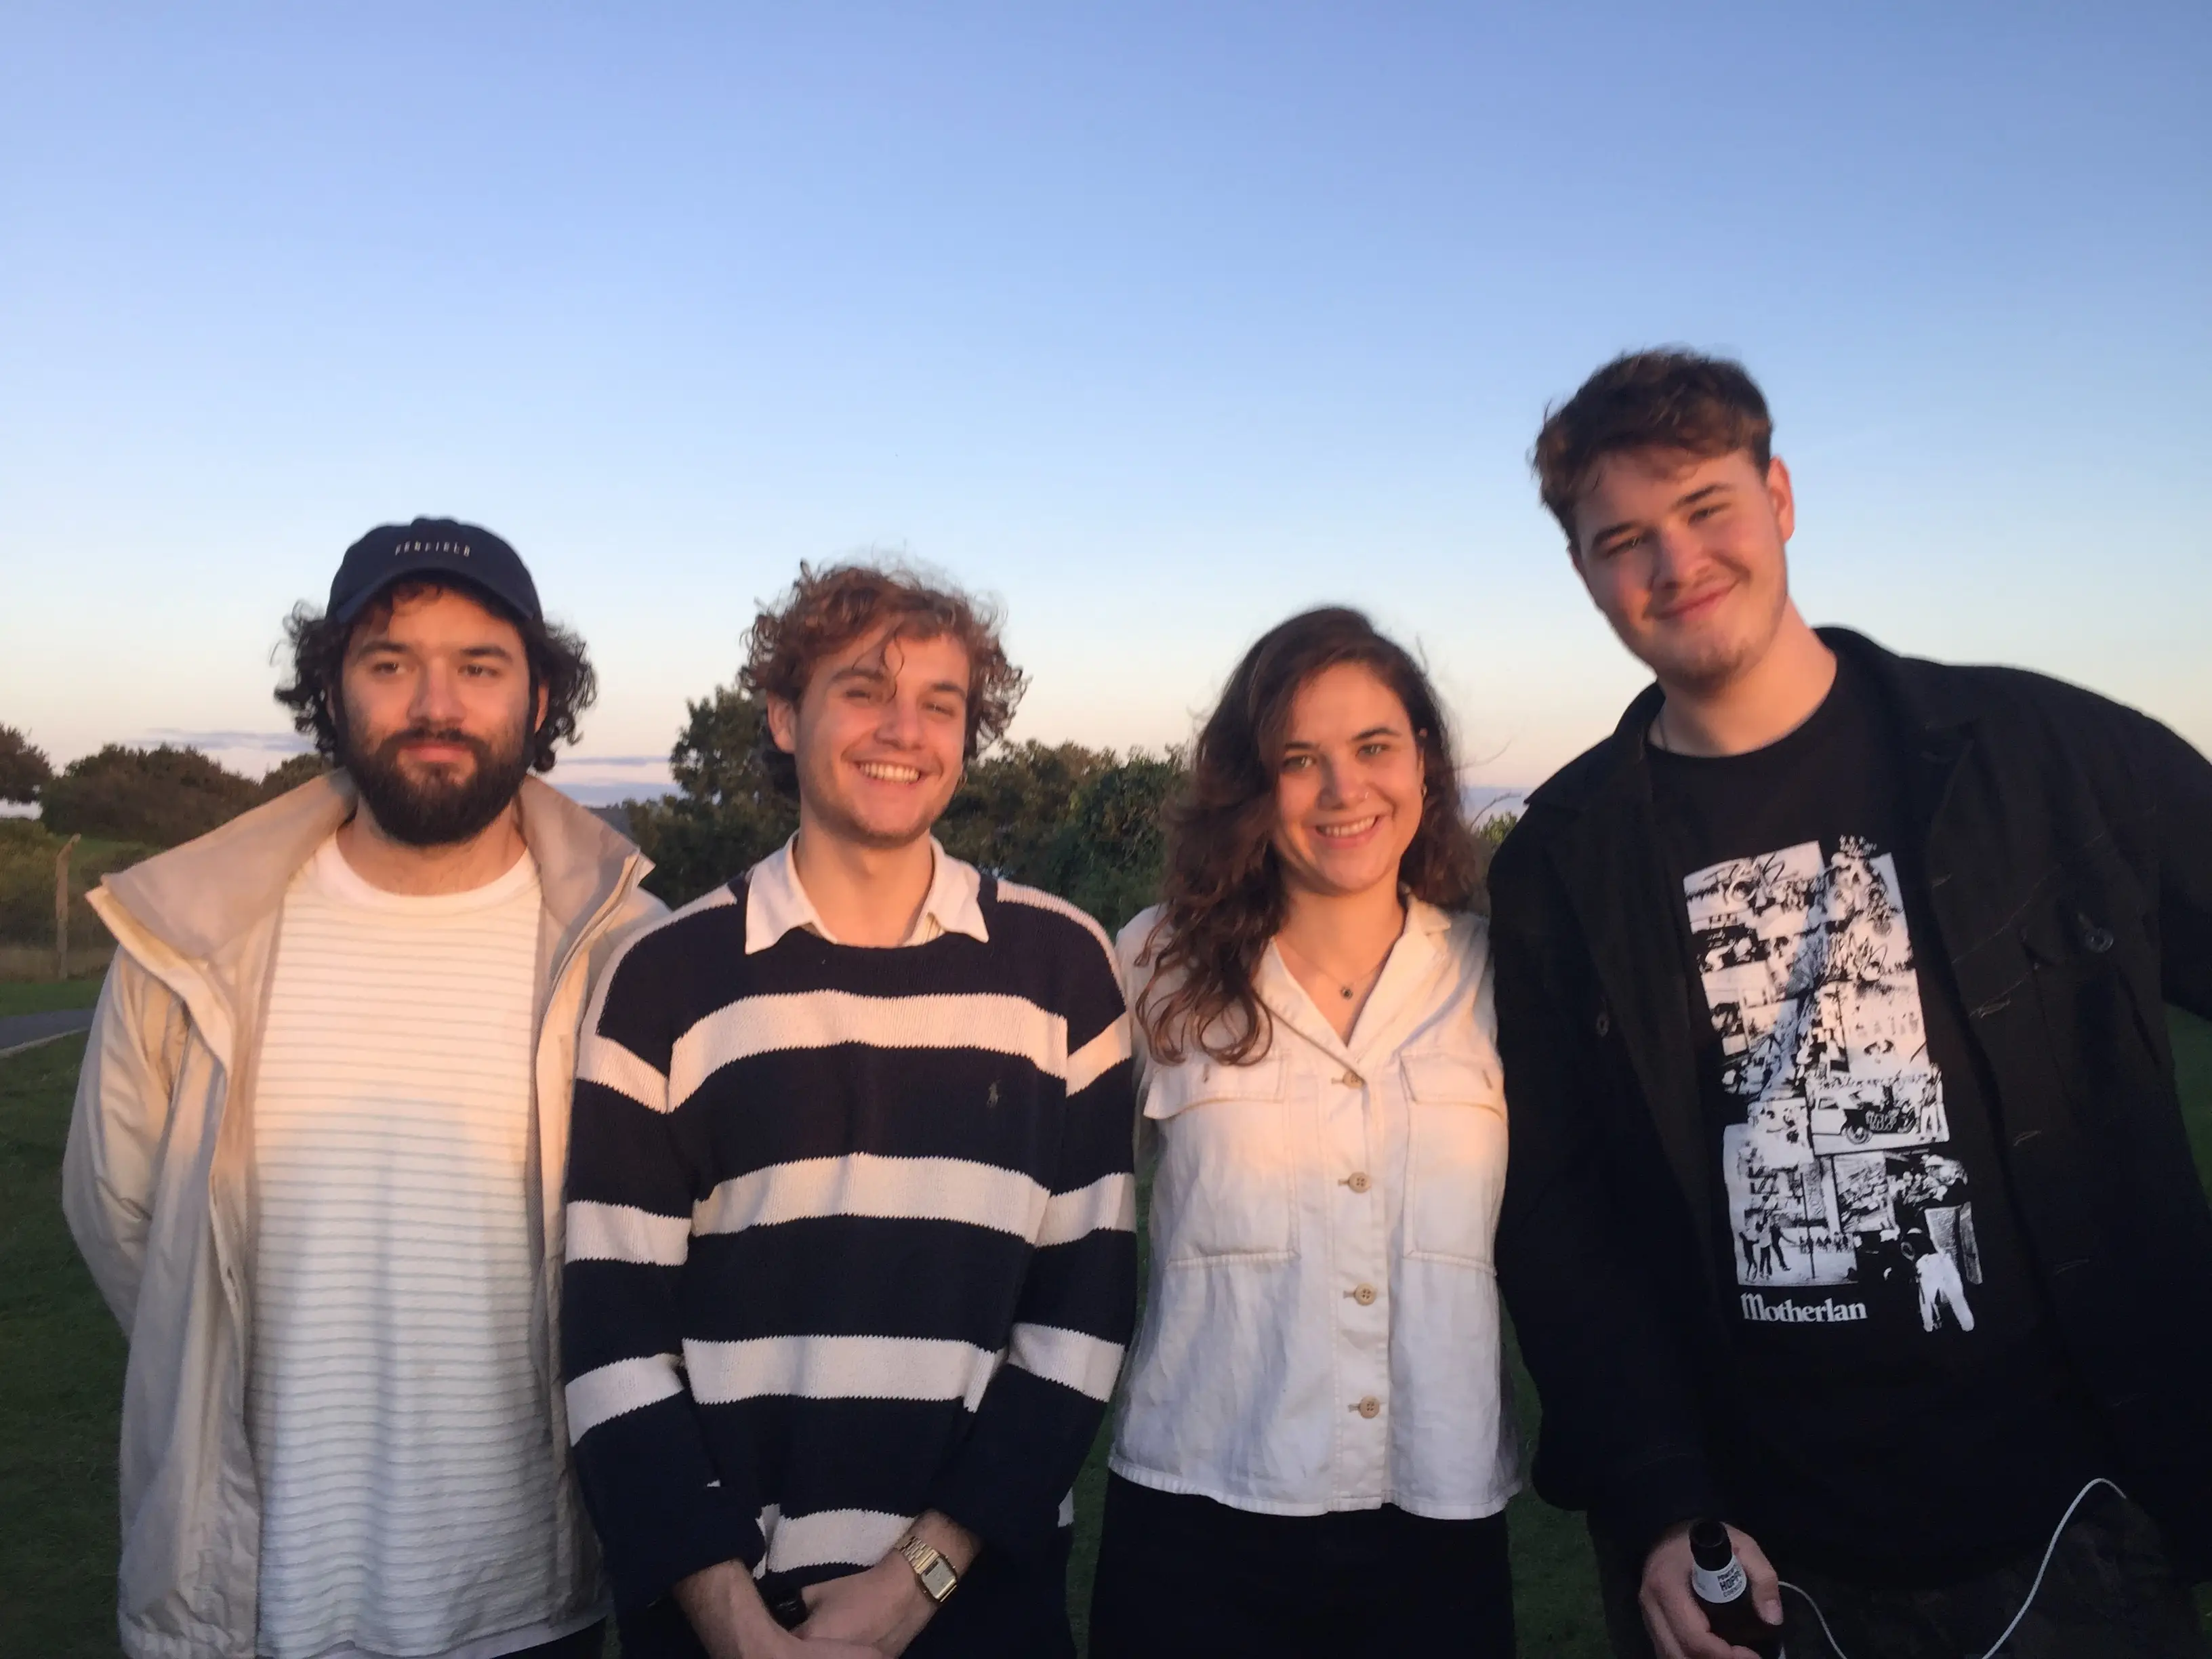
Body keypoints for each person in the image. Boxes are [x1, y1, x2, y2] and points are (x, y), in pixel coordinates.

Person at [1492, 349, 2212, 1659]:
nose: (1676, 563)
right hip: (1766, 1569)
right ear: (1588, 574)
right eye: (1624, 540)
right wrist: (1660, 1502)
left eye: (1707, 507)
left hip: (2080, 1533)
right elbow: (1557, 1214)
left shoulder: (2038, 756)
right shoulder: (1563, 859)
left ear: (1778, 495)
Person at [63, 518, 662, 1659]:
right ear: (331, 693)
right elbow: (125, 1223)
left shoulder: (629, 951)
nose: (435, 703)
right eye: (390, 664)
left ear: (539, 701)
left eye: (480, 666)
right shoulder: (187, 944)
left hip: (529, 1595)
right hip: (254, 1597)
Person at [560, 562, 1137, 1659]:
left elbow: (1084, 1309)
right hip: (730, 1623)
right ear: (784, 715)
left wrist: (916, 1581)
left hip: (982, 1613)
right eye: (865, 690)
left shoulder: (1063, 967)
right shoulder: (664, 978)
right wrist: (729, 1616)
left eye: (942, 703)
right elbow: (612, 1332)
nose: (904, 730)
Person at [1088, 607, 1520, 1658]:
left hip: (1440, 1524)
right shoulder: (1155, 966)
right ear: (1250, 782)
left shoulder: (1501, 977)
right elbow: (1062, 1225)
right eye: (1299, 759)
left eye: (1374, 747)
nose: (1344, 790)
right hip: (1197, 1519)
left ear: (1422, 758)